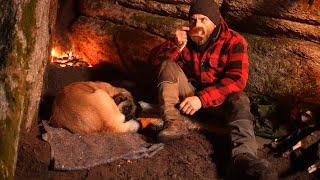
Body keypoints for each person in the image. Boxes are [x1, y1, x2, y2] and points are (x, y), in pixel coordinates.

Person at [150, 0, 277, 179]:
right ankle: (173, 122)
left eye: (203, 19)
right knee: (167, 65)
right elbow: (154, 62)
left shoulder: (234, 41)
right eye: (193, 20)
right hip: (189, 97)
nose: (197, 25)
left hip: (218, 103)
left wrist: (201, 99)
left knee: (239, 99)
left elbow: (237, 79)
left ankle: (243, 157)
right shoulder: (185, 39)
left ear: (216, 21)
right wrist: (175, 45)